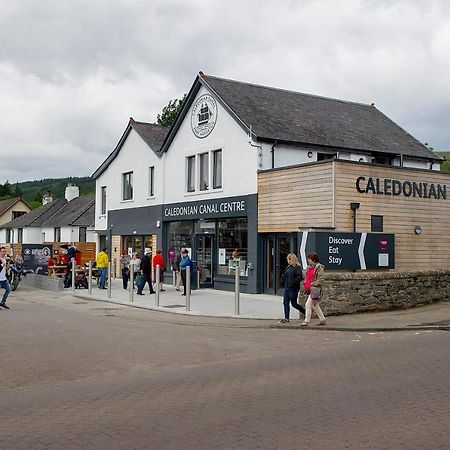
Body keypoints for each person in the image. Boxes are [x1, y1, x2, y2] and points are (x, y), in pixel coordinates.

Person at [301, 252, 326, 326]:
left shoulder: (319, 268)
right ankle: (322, 320)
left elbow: (321, 279)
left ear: (314, 260)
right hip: (310, 289)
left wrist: (312, 284)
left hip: (315, 290)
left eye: (310, 259)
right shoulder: (309, 268)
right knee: (315, 305)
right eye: (308, 259)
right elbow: (306, 277)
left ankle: (306, 321)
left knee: (308, 305)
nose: (308, 260)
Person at [278, 253, 305, 323]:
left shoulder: (297, 267)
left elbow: (299, 277)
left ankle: (305, 312)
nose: (287, 261)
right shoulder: (288, 267)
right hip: (287, 288)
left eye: (288, 259)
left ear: (291, 259)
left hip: (293, 288)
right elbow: (285, 275)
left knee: (294, 304)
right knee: (285, 303)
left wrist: (292, 282)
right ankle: (286, 318)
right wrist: (282, 280)